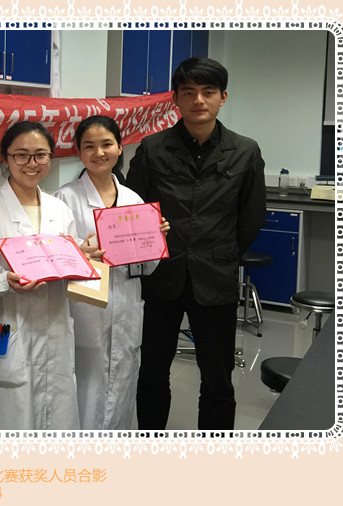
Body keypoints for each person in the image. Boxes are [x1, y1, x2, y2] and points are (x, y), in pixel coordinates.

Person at [125, 57, 266, 430]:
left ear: (223, 97)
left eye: (208, 92)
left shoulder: (245, 151)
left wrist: (223, 253)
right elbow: (134, 208)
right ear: (176, 99)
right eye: (188, 92)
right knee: (152, 373)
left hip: (215, 278)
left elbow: (252, 216)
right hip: (161, 277)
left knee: (218, 380)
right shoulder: (153, 148)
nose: (198, 100)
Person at [54, 115, 169, 430]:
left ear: (120, 148)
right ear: (79, 152)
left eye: (106, 144)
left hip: (127, 304)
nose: (99, 153)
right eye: (89, 146)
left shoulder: (134, 200)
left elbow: (147, 267)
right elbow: (56, 260)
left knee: (122, 382)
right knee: (85, 386)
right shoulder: (64, 199)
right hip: (86, 308)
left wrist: (155, 239)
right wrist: (80, 253)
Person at [0, 121, 79, 430]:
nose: (32, 163)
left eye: (41, 155)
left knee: (55, 416)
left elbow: (69, 257)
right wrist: (4, 280)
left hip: (54, 322)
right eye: (21, 155)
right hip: (8, 322)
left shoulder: (59, 209)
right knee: (9, 418)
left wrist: (82, 258)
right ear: (6, 158)